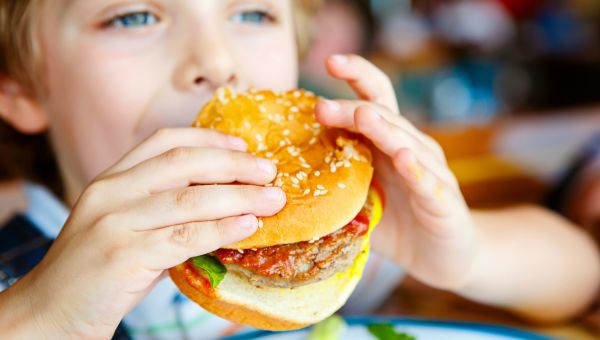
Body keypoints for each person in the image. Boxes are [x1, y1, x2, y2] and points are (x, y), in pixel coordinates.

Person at [0, 1, 598, 339]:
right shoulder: (18, 262)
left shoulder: (314, 238)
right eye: (134, 17)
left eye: (254, 13)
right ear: (21, 85)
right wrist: (44, 317)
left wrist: (465, 255)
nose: (217, 61)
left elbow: (581, 277)